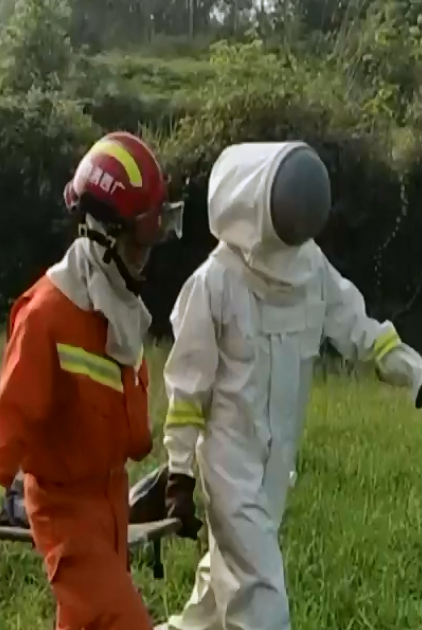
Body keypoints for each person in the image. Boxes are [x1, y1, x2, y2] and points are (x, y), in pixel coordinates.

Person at [157, 141, 422, 630]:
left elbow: (359, 328)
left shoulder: (310, 268)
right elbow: (188, 388)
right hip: (230, 470)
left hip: (276, 471)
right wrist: (179, 472)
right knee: (262, 604)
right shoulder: (213, 283)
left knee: (217, 601)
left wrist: (412, 370)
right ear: (252, 204)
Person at [0, 132, 184, 629]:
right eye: (139, 242)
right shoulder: (47, 315)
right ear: (103, 237)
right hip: (65, 511)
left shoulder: (118, 309)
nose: (147, 256)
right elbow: (8, 422)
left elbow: (129, 427)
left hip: (111, 503)